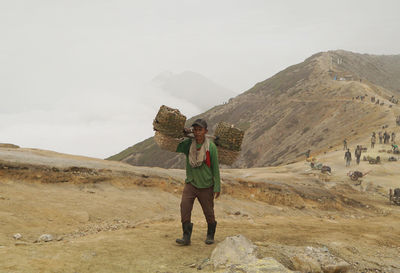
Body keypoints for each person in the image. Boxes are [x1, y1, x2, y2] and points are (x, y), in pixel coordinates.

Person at [175, 119, 220, 246]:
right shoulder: (189, 144)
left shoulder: (211, 147)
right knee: (184, 207)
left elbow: (215, 168)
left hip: (206, 185)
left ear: (205, 131)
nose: (197, 132)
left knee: (209, 212)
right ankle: (186, 237)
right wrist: (181, 134)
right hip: (191, 183)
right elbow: (176, 146)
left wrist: (217, 186)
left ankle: (210, 234)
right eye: (195, 130)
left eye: (200, 130)